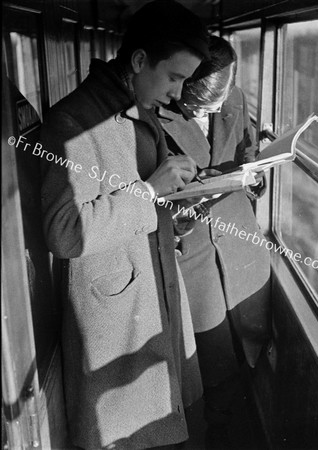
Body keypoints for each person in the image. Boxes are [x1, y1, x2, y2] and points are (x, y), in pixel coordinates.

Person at [39, 2, 210, 449]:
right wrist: (151, 191)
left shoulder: (137, 103)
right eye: (173, 77)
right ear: (137, 61)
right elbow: (65, 231)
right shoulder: (72, 122)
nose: (177, 93)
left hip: (151, 291)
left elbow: (136, 198)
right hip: (117, 314)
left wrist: (179, 199)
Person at [157, 36, 271, 441]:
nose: (218, 110)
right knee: (212, 367)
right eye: (204, 107)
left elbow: (245, 151)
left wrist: (255, 172)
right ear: (183, 86)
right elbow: (150, 196)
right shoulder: (152, 113)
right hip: (195, 258)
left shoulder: (233, 98)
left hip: (242, 247)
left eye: (222, 100)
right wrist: (181, 210)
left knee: (254, 352)